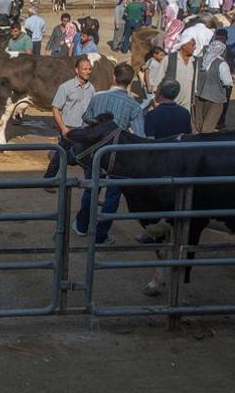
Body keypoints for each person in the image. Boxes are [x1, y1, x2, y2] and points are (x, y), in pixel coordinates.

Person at [74, 63, 145, 245]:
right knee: (112, 196)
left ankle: (82, 226)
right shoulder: (134, 106)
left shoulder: (97, 97)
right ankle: (100, 235)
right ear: (129, 83)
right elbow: (139, 136)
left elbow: (86, 118)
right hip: (117, 158)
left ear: (113, 77)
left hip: (95, 153)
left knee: (91, 188)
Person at [45, 56, 97, 178]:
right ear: (76, 70)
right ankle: (48, 180)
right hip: (69, 129)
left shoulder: (91, 88)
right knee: (60, 157)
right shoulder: (65, 87)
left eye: (89, 69)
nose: (88, 72)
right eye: (84, 69)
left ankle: (89, 185)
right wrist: (63, 128)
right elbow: (55, 108)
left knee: (86, 157)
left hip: (84, 129)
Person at [193, 36, 233, 133]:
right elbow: (228, 82)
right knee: (209, 126)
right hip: (216, 99)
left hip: (199, 96)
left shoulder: (199, 61)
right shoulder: (222, 64)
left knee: (198, 123)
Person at [159, 36, 197, 111]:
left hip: (187, 104)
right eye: (192, 45)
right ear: (184, 46)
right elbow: (159, 78)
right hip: (170, 101)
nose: (195, 48)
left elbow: (195, 81)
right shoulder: (169, 58)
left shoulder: (195, 61)